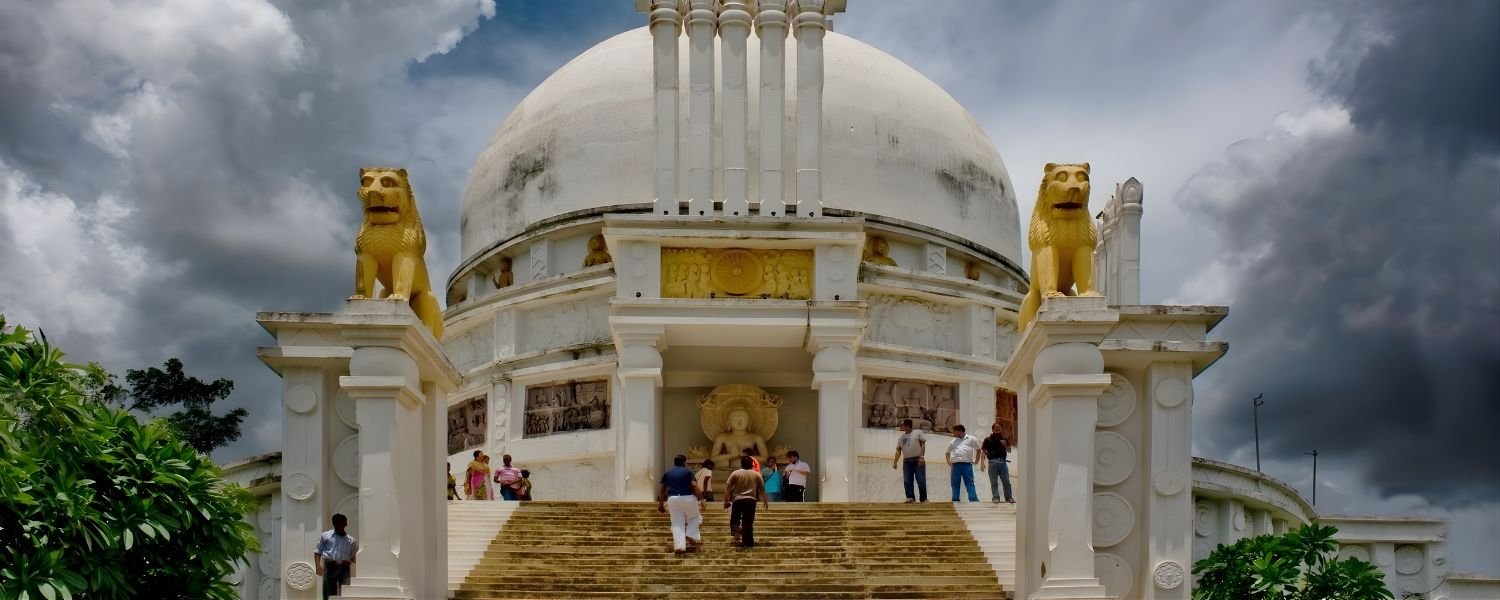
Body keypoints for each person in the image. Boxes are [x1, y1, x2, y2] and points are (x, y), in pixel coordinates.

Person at [657, 454, 704, 556]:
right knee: (696, 517)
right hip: (687, 497)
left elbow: (662, 489)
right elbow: (694, 485)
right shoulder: (688, 472)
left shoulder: (668, 473)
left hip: (672, 499)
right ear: (684, 462)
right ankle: (690, 534)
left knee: (677, 523)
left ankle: (679, 546)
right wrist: (701, 498)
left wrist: (661, 504)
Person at [724, 456, 769, 548]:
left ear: (741, 464)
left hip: (738, 499)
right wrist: (765, 500)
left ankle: (737, 531)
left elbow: (728, 489)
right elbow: (762, 489)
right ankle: (748, 541)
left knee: (735, 519)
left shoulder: (735, 473)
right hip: (750, 500)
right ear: (752, 464)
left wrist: (726, 500)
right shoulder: (757, 475)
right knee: (748, 522)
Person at [313, 513, 358, 600]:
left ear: (345, 524)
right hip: (330, 566)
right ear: (334, 524)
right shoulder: (325, 536)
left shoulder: (351, 540)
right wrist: (318, 566)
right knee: (329, 592)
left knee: (345, 591)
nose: (339, 526)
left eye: (341, 523)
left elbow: (353, 557)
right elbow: (318, 551)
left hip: (345, 567)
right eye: (337, 523)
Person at [891, 418, 928, 503]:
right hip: (907, 461)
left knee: (921, 480)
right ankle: (910, 497)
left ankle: (923, 498)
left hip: (918, 459)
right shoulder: (901, 438)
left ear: (907, 426)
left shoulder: (918, 432)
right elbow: (898, 450)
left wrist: (922, 456)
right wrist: (895, 462)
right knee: (907, 480)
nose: (900, 426)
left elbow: (923, 444)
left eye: (902, 425)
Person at [946, 424, 981, 502]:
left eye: (954, 431)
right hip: (955, 465)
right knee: (955, 483)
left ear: (960, 431)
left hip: (967, 464)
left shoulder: (971, 439)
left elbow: (978, 450)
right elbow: (947, 453)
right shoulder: (953, 441)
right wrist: (949, 463)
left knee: (969, 482)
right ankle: (955, 499)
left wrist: (976, 461)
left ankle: (973, 499)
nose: (953, 433)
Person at [981, 422, 1015, 503]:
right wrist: (982, 463)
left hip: (1003, 463)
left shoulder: (1004, 439)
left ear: (1001, 430)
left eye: (999, 430)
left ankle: (1009, 497)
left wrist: (1005, 445)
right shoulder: (987, 439)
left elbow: (1009, 451)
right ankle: (996, 497)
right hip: (992, 462)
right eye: (996, 430)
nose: (997, 432)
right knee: (994, 481)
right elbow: (983, 451)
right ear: (993, 430)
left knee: (1006, 481)